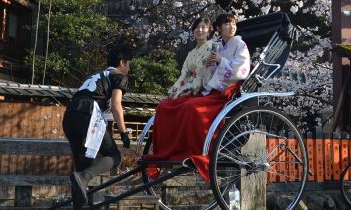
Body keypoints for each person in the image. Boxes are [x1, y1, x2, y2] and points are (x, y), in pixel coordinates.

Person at [143, 14, 251, 181]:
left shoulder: (239, 44)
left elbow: (240, 71)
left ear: (210, 30)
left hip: (227, 92)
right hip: (211, 89)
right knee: (165, 106)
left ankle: (195, 150)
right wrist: (207, 68)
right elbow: (199, 74)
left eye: (233, 24)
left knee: (191, 107)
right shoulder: (217, 47)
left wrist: (220, 61)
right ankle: (169, 151)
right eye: (227, 24)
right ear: (219, 28)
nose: (232, 27)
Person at [63, 45, 134, 210]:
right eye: (129, 64)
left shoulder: (95, 75)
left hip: (70, 114)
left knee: (82, 166)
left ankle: (79, 204)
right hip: (88, 113)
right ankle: (84, 177)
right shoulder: (119, 76)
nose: (129, 69)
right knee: (114, 156)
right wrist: (123, 133)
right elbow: (116, 105)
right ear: (122, 62)